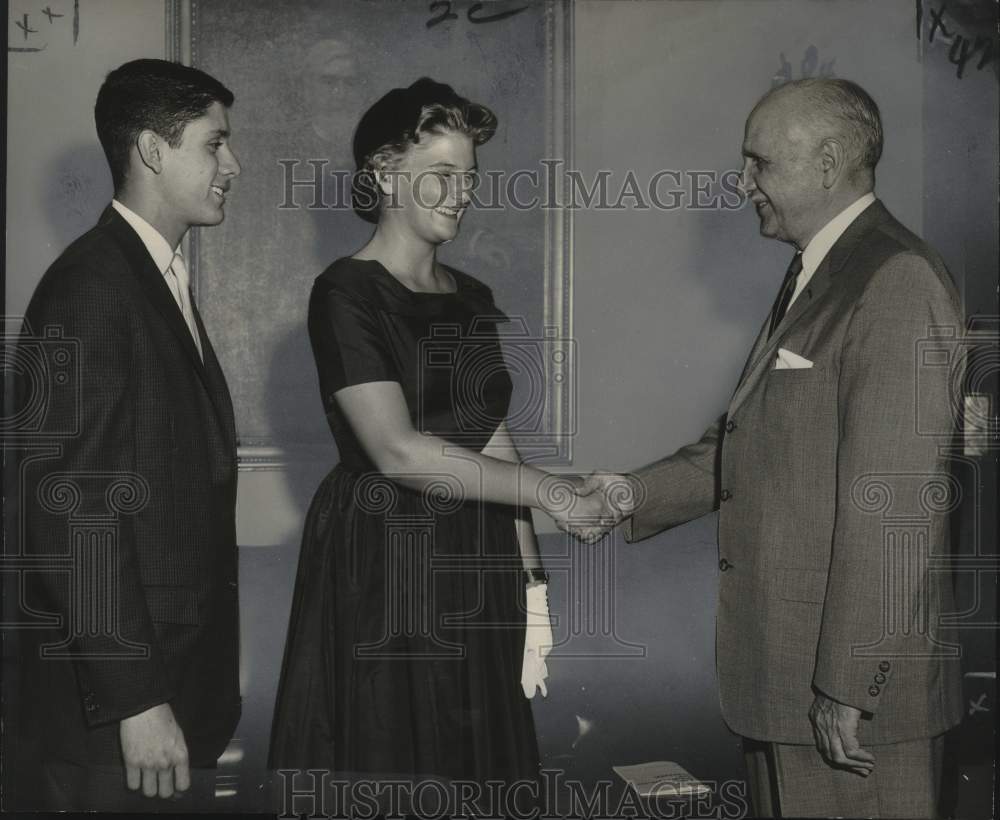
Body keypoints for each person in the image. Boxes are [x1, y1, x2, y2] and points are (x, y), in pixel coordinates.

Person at [584, 78, 963, 818]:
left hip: (849, 705)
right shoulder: (822, 269)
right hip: (785, 683)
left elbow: (895, 507)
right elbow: (753, 444)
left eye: (759, 164)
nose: (742, 182)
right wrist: (628, 493)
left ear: (827, 164)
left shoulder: (895, 278)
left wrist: (847, 684)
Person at [267, 78, 620, 816]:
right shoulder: (345, 292)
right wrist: (558, 492)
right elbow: (397, 451)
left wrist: (535, 593)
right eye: (443, 175)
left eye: (470, 178)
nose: (462, 194)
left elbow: (492, 437)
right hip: (384, 565)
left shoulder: (469, 295)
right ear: (384, 174)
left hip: (477, 561)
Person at [12, 58, 243, 810]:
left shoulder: (148, 276)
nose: (230, 165)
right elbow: (73, 510)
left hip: (171, 692)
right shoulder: (92, 287)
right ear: (152, 149)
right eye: (215, 144)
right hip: (118, 716)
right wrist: (137, 700)